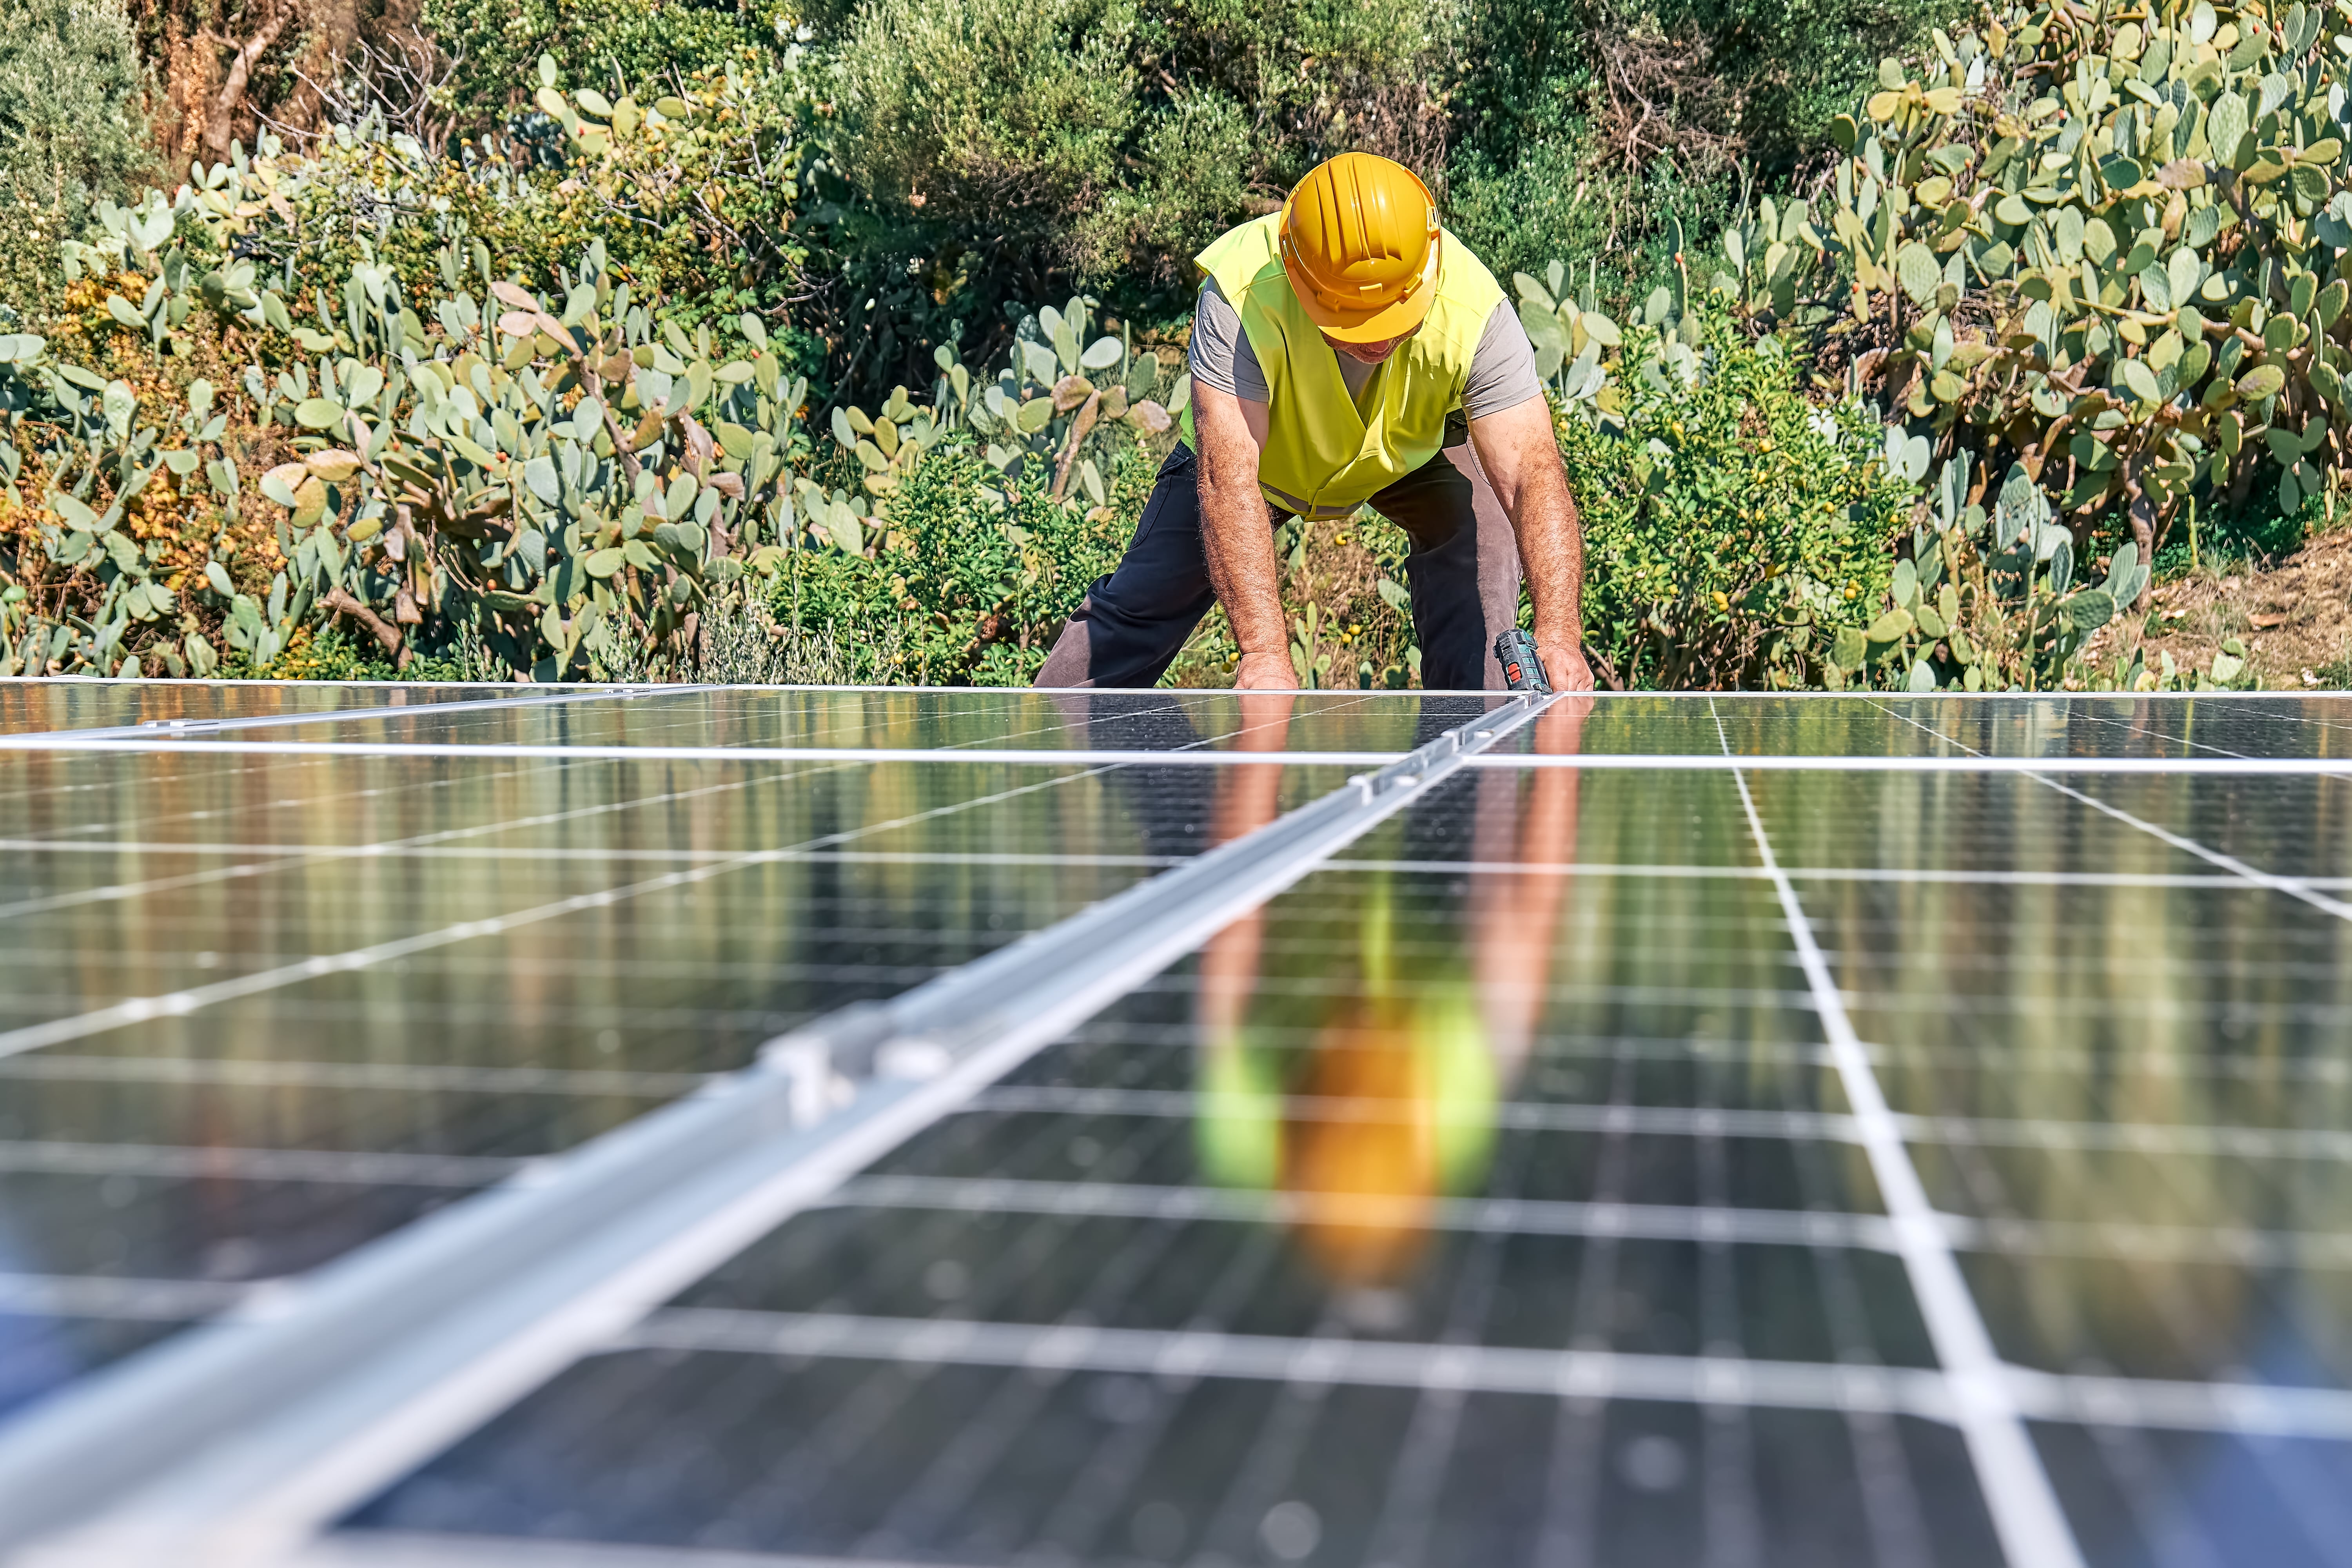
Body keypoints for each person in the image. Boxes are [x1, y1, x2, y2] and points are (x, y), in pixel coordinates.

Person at [1035, 151, 1594, 693]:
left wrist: (1560, 635)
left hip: (1405, 457)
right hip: (1259, 465)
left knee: (1479, 543)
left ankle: (1479, 751)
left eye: (1392, 316)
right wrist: (1264, 655)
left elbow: (1530, 472)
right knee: (1141, 604)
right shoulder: (1240, 291)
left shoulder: (1476, 311)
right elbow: (1229, 477)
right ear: (1300, 277)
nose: (1376, 335)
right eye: (1352, 317)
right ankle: (1042, 752)